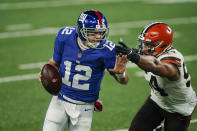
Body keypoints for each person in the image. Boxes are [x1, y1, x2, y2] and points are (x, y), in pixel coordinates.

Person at [39, 9, 129, 131]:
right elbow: (53, 63)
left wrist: (122, 74)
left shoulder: (107, 50)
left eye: (101, 32)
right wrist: (46, 72)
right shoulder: (65, 36)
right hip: (60, 98)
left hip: (85, 106)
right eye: (93, 33)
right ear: (81, 31)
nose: (98, 37)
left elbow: (124, 81)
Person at [115, 22, 197, 131]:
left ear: (161, 44)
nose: (144, 48)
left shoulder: (172, 58)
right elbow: (147, 63)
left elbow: (155, 66)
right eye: (144, 43)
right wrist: (132, 55)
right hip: (158, 99)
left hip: (179, 108)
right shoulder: (151, 54)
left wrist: (134, 56)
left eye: (148, 44)